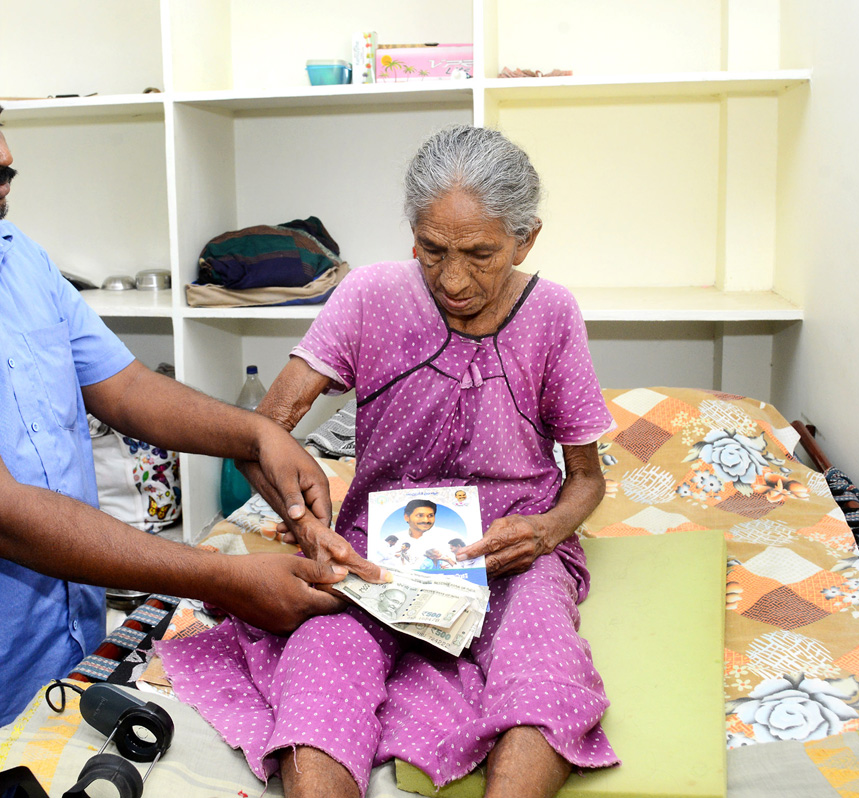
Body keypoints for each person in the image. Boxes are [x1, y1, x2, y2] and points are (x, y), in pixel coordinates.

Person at [0, 28, 381, 798]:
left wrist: (253, 432)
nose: (0, 153)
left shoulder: (6, 250)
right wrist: (222, 579)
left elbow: (121, 387)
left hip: (49, 671)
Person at [157, 125, 619, 798]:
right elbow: (265, 432)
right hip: (375, 551)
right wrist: (299, 517)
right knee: (320, 660)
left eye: (481, 254)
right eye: (433, 250)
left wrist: (544, 532)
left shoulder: (552, 315)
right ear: (412, 235)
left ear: (527, 239)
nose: (454, 279)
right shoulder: (370, 297)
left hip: (513, 549)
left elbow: (585, 480)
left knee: (544, 661)